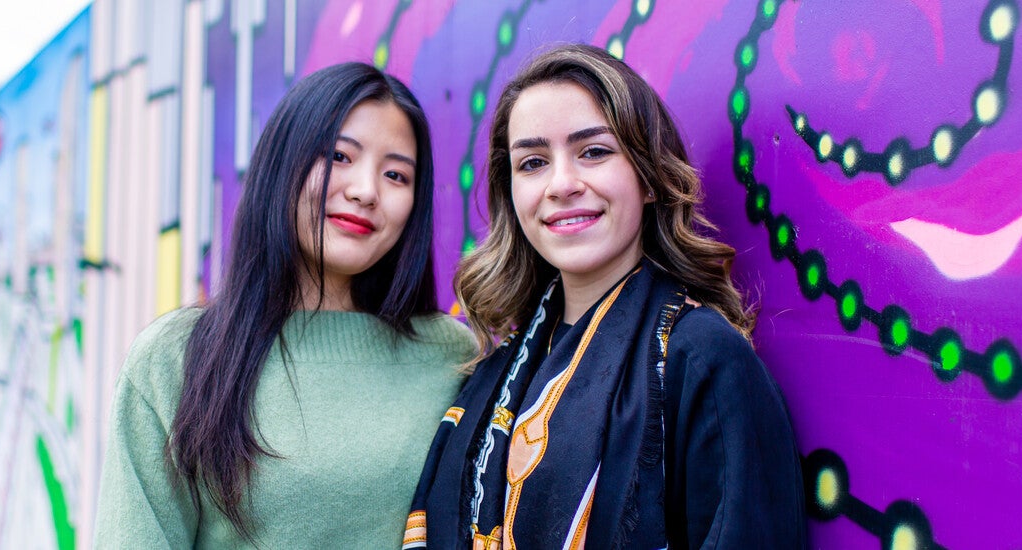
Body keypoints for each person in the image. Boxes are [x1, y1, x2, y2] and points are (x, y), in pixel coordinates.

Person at [405, 44, 805, 549]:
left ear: (650, 179)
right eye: (532, 162)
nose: (561, 184)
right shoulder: (496, 369)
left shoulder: (701, 358)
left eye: (593, 151)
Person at [95, 62, 474, 548]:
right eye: (339, 156)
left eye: (396, 174)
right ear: (282, 164)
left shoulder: (452, 357)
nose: (364, 191)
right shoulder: (174, 359)